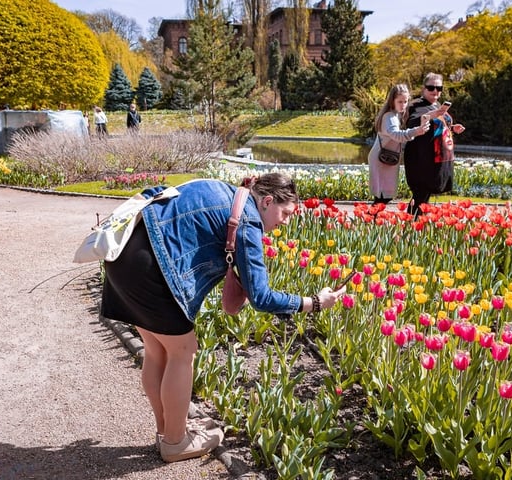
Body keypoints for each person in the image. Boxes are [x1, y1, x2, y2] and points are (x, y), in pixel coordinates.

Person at [100, 173, 346, 463]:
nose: (286, 222)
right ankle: (176, 443)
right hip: (152, 271)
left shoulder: (226, 192)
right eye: (285, 213)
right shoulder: (248, 222)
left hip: (124, 254)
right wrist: (315, 302)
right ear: (267, 201)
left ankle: (168, 430)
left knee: (157, 352)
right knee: (183, 352)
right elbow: (262, 297)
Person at [403, 73, 466, 216]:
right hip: (421, 159)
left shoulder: (437, 105)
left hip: (436, 160)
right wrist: (433, 114)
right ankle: (411, 227)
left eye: (439, 88)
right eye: (431, 87)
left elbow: (437, 128)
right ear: (423, 89)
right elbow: (412, 123)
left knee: (425, 198)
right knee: (420, 196)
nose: (435, 91)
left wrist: (452, 128)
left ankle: (417, 228)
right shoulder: (416, 105)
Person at [367, 84, 424, 206]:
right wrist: (416, 131)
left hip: (386, 157)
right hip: (382, 159)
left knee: (383, 196)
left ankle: (371, 219)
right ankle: (370, 219)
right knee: (383, 196)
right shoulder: (389, 117)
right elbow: (396, 135)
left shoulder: (395, 114)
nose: (403, 105)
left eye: (405, 101)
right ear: (392, 100)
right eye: (400, 102)